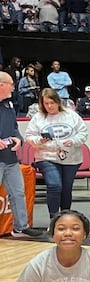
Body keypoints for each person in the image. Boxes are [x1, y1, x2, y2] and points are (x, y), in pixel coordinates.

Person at [24, 88, 88, 219]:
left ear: (58, 102)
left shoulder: (71, 115)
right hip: (46, 156)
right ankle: (53, 218)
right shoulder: (38, 118)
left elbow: (83, 133)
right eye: (46, 103)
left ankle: (64, 217)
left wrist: (74, 140)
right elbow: (29, 136)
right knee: (54, 185)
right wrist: (39, 140)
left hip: (71, 158)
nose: (49, 106)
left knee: (66, 189)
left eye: (52, 103)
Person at [0, 71, 41, 238]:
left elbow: (15, 127)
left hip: (10, 158)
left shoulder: (9, 105)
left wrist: (18, 139)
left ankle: (20, 226)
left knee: (18, 193)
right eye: (11, 83)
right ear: (1, 85)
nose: (13, 87)